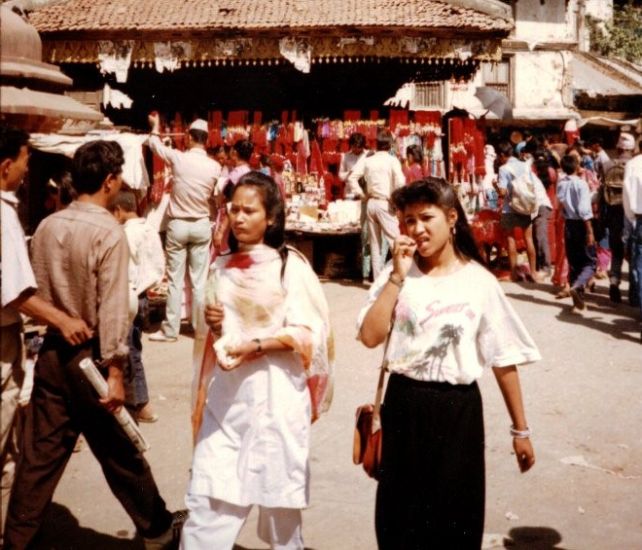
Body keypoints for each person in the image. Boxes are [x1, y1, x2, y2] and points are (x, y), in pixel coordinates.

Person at [4, 140, 182, 549]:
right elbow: (115, 310)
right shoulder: (109, 233)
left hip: (51, 353)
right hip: (93, 361)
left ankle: (16, 540)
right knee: (121, 454)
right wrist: (116, 371)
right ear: (109, 180)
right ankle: (157, 530)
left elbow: (37, 291)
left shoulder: (48, 225)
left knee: (39, 460)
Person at [358, 178, 538, 549]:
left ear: (452, 216)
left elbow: (503, 359)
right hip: (403, 405)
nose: (416, 229)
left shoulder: (479, 282)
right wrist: (395, 276)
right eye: (408, 221)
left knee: (454, 524)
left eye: (426, 218)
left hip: (458, 414)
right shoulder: (399, 275)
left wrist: (521, 430)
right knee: (397, 524)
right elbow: (370, 336)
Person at [182, 172, 333, 550]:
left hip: (277, 400)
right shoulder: (219, 266)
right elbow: (215, 339)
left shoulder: (290, 267)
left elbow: (309, 335)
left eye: (250, 210)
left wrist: (258, 345)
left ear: (272, 218)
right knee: (209, 499)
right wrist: (214, 327)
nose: (239, 218)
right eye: (234, 209)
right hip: (227, 403)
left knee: (280, 508)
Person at [0, 125, 92, 542]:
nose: (26, 169)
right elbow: (15, 292)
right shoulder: (3, 214)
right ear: (6, 167)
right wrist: (62, 321)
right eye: (24, 160)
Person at [147, 114, 221, 342]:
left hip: (178, 225)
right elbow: (216, 199)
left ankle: (171, 330)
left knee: (175, 280)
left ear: (189, 137)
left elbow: (154, 144)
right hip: (200, 225)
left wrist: (155, 127)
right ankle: (200, 329)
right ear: (206, 140)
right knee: (199, 282)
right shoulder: (214, 166)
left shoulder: (179, 159)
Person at [110, 190, 165, 422]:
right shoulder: (150, 229)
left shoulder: (125, 234)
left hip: (130, 295)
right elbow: (159, 263)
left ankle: (141, 403)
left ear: (119, 211)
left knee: (131, 351)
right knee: (134, 347)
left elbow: (124, 269)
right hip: (144, 295)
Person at [348, 130, 406, 279]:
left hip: (371, 203)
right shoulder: (392, 160)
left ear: (377, 144)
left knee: (375, 245)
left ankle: (377, 280)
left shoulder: (369, 160)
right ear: (390, 145)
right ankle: (402, 276)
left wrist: (362, 194)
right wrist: (395, 198)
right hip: (385, 203)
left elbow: (352, 178)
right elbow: (401, 182)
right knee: (395, 241)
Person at [496, 141, 543, 282]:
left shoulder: (503, 169)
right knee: (528, 239)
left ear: (502, 155)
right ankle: (533, 273)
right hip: (525, 206)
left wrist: (495, 186)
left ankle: (514, 274)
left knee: (511, 240)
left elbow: (503, 193)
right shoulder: (525, 165)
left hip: (509, 208)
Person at [556, 154, 596, 312]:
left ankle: (577, 303)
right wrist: (590, 231)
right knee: (590, 262)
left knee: (574, 263)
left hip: (569, 225)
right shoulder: (581, 184)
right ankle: (577, 286)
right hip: (581, 224)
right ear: (576, 166)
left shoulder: (561, 184)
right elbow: (584, 210)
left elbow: (561, 208)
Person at [601, 133, 635, 303]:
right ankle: (634, 290)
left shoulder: (607, 165)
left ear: (618, 148)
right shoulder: (636, 165)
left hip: (613, 213)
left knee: (616, 252)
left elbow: (601, 193)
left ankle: (614, 282)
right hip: (634, 215)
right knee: (634, 253)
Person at [213, 139, 254, 253]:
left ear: (234, 152)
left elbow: (230, 205)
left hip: (231, 226)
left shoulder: (235, 175)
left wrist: (221, 231)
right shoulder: (249, 173)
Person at [622, 137, 642, 340]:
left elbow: (628, 197)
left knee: (640, 269)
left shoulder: (633, 165)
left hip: (640, 220)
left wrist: (631, 220)